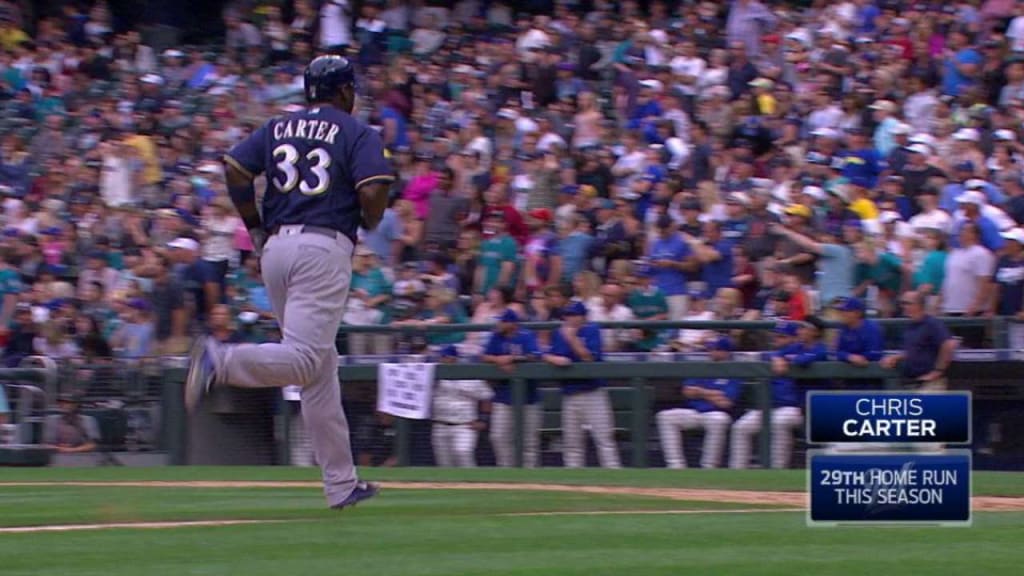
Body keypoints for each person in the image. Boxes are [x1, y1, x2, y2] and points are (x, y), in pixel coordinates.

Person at [187, 56, 393, 510]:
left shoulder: (279, 126)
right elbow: (375, 188)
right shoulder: (356, 131)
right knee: (304, 360)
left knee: (320, 369)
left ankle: (341, 484)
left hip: (275, 249)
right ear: (343, 92)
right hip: (322, 247)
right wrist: (370, 217)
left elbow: (235, 168)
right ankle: (219, 360)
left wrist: (254, 226)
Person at [544, 301, 621, 469]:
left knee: (604, 438)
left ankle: (615, 476)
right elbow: (546, 354)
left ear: (583, 316)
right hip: (570, 393)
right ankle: (574, 480)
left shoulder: (592, 330)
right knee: (572, 442)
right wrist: (553, 359)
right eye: (567, 315)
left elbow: (589, 358)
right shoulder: (559, 332)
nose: (569, 318)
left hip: (592, 392)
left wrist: (572, 338)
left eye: (573, 315)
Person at [656, 336, 741, 469]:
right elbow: (687, 391)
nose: (711, 352)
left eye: (715, 349)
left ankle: (709, 467)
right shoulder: (703, 367)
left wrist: (699, 392)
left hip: (717, 414)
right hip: (695, 412)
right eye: (710, 349)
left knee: (718, 420)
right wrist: (711, 394)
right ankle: (676, 466)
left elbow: (726, 403)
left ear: (726, 352)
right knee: (665, 417)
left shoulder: (734, 371)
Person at [729, 321, 805, 469]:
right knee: (740, 427)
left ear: (794, 338)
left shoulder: (803, 351)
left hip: (791, 408)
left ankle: (777, 470)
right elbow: (768, 356)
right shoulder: (770, 355)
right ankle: (737, 472)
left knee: (779, 423)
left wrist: (783, 357)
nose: (777, 340)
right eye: (776, 336)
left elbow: (804, 353)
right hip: (766, 408)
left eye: (782, 337)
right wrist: (778, 356)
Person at [881, 291, 958, 392]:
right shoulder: (911, 325)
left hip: (930, 383)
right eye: (902, 303)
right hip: (912, 382)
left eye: (906, 303)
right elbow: (915, 350)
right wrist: (896, 357)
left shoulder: (932, 323)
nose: (902, 306)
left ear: (918, 305)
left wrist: (938, 371)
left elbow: (949, 344)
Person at [431, 345, 493, 468]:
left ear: (454, 358)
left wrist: (483, 419)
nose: (442, 360)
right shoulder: (434, 375)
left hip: (464, 426)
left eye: (445, 357)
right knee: (444, 463)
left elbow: (486, 397)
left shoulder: (469, 376)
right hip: (440, 425)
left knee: (463, 453)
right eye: (441, 357)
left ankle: (472, 484)